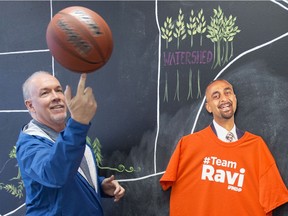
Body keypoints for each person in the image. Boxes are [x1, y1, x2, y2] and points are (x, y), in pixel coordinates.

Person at [160, 79, 288, 216]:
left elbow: (273, 196)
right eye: (216, 96)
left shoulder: (256, 146)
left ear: (234, 98)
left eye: (228, 93)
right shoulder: (187, 145)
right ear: (208, 107)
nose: (224, 98)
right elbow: (166, 183)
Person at [16, 71, 125, 215]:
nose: (56, 97)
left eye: (58, 90)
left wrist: (99, 185)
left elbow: (72, 172)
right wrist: (78, 124)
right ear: (30, 106)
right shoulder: (29, 145)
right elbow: (54, 174)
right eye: (45, 93)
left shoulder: (70, 134)